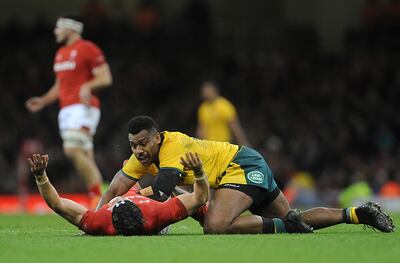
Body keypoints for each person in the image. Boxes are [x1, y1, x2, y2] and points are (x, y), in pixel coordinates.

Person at [97, 115, 395, 235]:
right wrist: (95, 222)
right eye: (133, 145)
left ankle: (285, 224)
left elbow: (162, 191)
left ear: (157, 137)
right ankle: (356, 213)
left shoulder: (172, 144)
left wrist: (138, 201)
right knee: (294, 219)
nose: (138, 150)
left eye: (143, 143)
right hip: (240, 168)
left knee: (215, 226)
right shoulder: (142, 157)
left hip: (240, 166)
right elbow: (114, 189)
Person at [25, 13, 112, 208]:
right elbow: (60, 85)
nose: (55, 31)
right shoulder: (61, 53)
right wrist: (44, 100)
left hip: (84, 107)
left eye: (58, 27)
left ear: (71, 28)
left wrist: (87, 86)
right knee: (85, 155)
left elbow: (105, 77)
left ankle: (97, 196)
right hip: (65, 109)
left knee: (71, 148)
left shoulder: (88, 48)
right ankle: (105, 197)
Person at [28, 152, 209, 236]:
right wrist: (199, 173)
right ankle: (202, 214)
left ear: (113, 205)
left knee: (127, 171)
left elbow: (57, 204)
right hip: (153, 204)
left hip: (138, 197)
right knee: (194, 205)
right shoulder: (157, 215)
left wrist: (40, 176)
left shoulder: (99, 222)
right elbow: (199, 197)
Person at [196, 81, 250, 146]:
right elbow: (201, 127)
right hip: (209, 146)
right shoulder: (203, 108)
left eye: (208, 92)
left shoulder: (224, 105)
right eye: (204, 93)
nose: (206, 95)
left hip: (223, 145)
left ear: (215, 91)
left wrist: (243, 143)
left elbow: (235, 126)